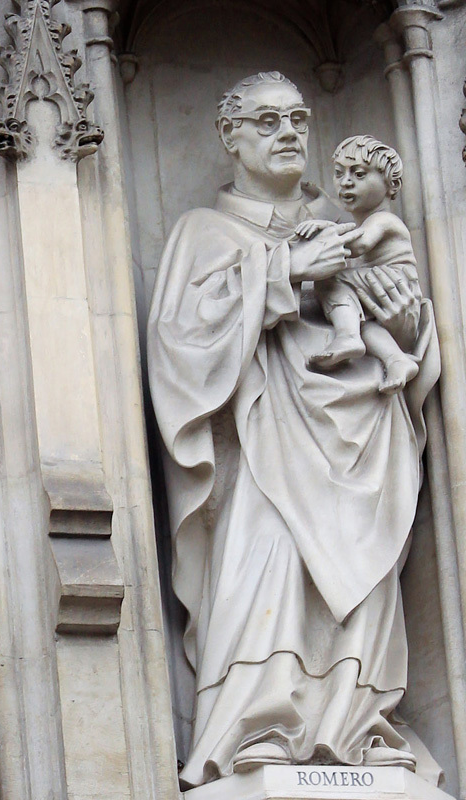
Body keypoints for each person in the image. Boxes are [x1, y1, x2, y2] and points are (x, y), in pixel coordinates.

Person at [147, 72, 440, 788]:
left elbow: (405, 327)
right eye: (269, 121)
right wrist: (282, 273)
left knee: (367, 579)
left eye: (300, 120)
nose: (289, 134)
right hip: (263, 439)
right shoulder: (204, 232)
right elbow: (179, 343)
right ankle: (260, 729)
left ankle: (357, 730)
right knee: (268, 562)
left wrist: (403, 319)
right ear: (230, 136)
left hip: (363, 431)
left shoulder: (350, 227)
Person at [296, 135, 422, 394]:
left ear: (391, 184)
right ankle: (396, 360)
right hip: (378, 290)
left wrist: (326, 230)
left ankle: (348, 336)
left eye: (359, 174)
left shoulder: (384, 220)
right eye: (339, 173)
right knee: (364, 322)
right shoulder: (368, 221)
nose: (346, 182)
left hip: (392, 284)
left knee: (330, 278)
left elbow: (359, 245)